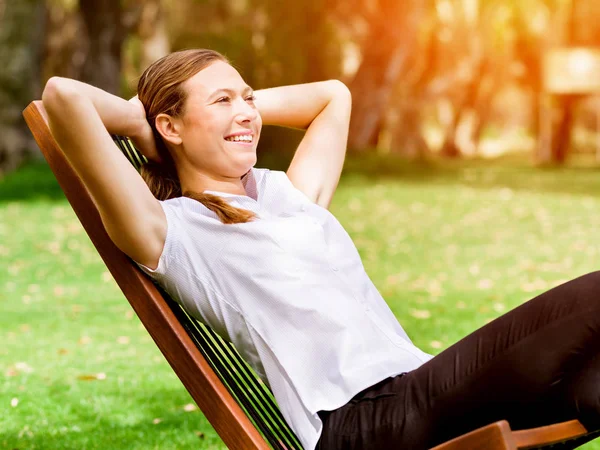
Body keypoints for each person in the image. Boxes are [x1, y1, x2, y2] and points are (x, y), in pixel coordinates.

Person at [41, 49, 600, 450]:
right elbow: (63, 97)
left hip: (424, 393)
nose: (247, 113)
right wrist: (146, 128)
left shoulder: (288, 194)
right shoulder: (170, 230)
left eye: (248, 98)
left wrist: (233, 106)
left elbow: (334, 96)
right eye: (222, 100)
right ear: (171, 124)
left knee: (593, 388)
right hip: (367, 423)